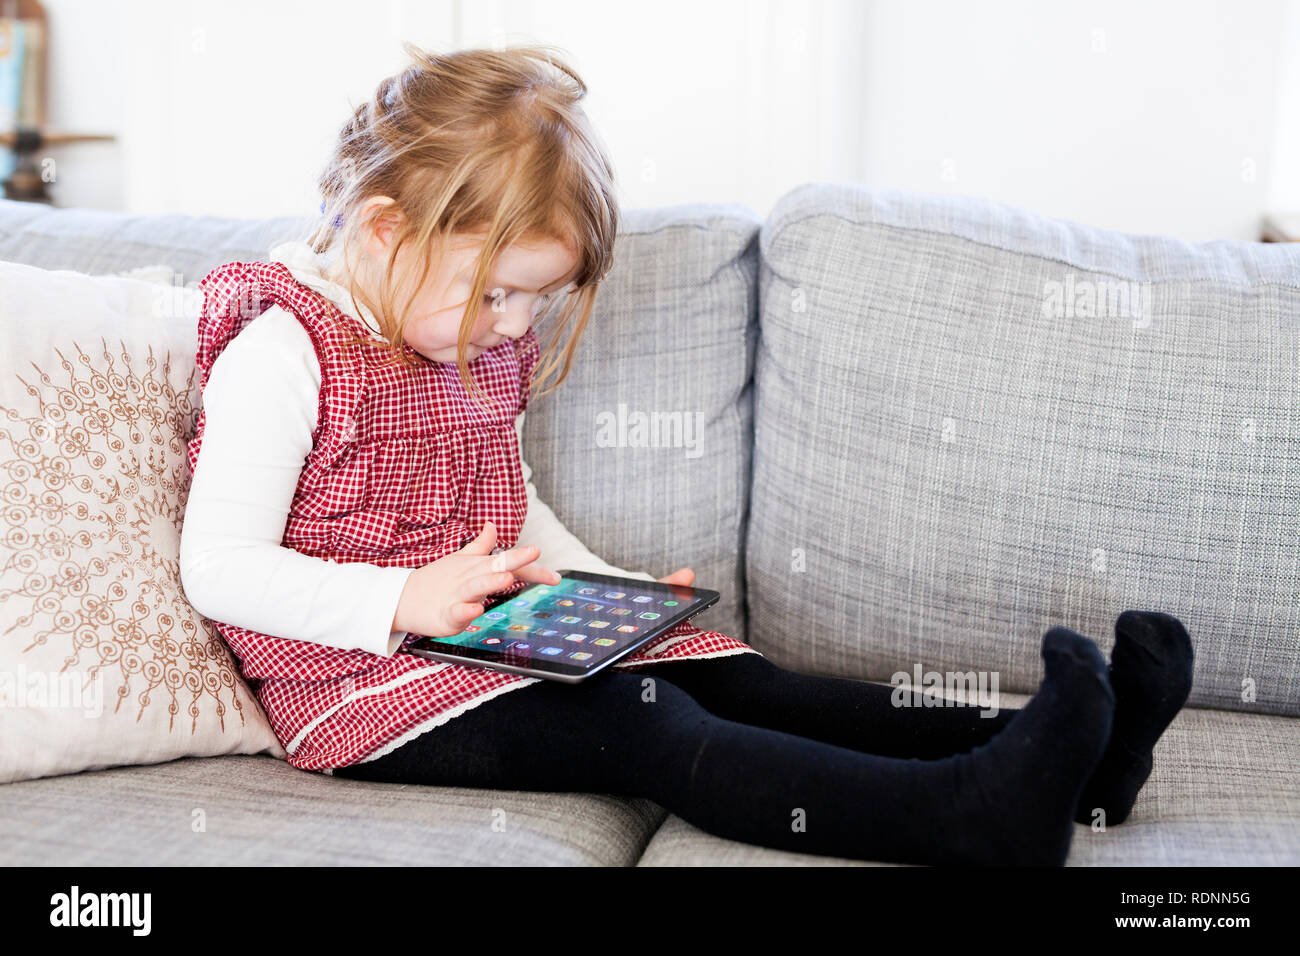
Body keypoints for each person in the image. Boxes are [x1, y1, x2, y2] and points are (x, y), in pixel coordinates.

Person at [179, 43, 1193, 866]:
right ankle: (967, 816)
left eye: (537, 297)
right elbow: (217, 566)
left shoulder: (468, 349)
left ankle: (1089, 764)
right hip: (358, 688)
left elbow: (508, 508)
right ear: (381, 228)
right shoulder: (285, 353)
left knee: (743, 677)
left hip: (480, 633)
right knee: (646, 720)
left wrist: (606, 592)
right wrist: (396, 599)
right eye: (492, 292)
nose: (511, 323)